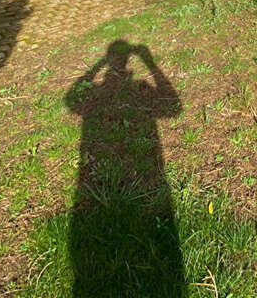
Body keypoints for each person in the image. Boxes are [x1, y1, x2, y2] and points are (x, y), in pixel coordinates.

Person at [65, 39, 184, 297]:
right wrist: (150, 63)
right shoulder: (138, 87)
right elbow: (173, 107)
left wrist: (98, 65)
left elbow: (71, 100)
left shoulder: (101, 90)